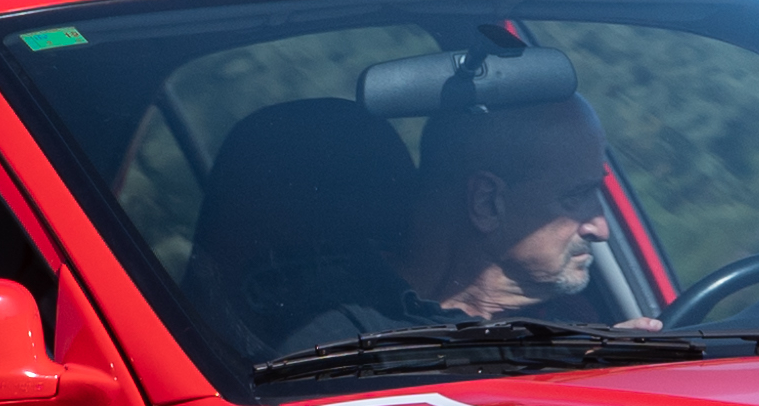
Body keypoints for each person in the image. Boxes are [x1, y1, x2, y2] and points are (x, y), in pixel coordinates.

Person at [268, 84, 642, 351]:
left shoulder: (581, 321)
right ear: (486, 202)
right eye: (577, 197)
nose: (601, 228)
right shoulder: (337, 347)